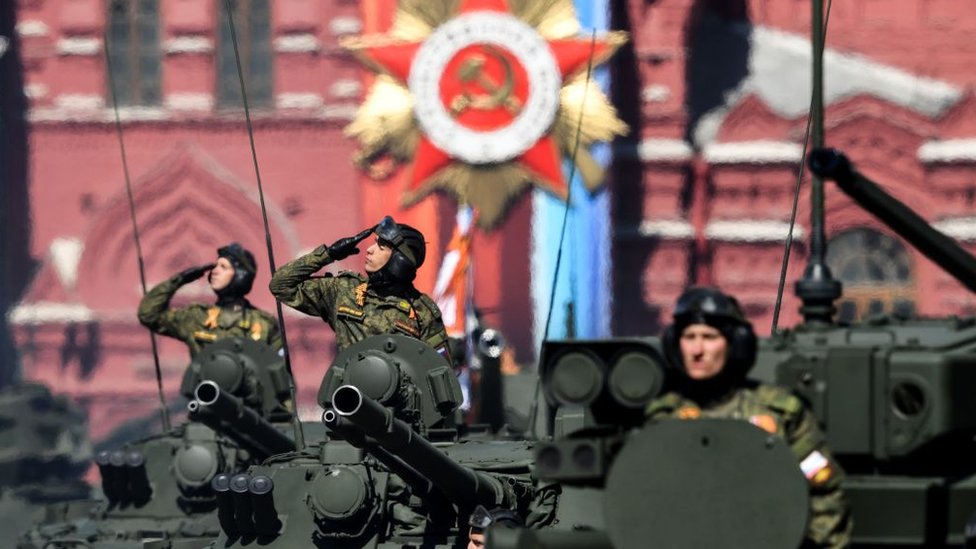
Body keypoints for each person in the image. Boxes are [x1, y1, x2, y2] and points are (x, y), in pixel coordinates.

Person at [645, 286, 852, 548]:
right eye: (689, 337)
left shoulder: (779, 413)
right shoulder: (665, 419)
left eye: (709, 337)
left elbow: (825, 490)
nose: (697, 350)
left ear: (735, 344)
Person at [269, 216, 451, 357]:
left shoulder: (422, 313)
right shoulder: (344, 290)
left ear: (399, 261)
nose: (370, 249)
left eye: (381, 246)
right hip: (349, 399)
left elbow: (439, 373)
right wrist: (328, 254)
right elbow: (281, 285)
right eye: (374, 242)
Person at [137, 243, 281, 356]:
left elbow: (281, 378)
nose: (215, 271)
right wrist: (180, 280)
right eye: (215, 266)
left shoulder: (263, 324)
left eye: (223, 267)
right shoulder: (197, 317)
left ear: (241, 276)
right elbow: (149, 314)